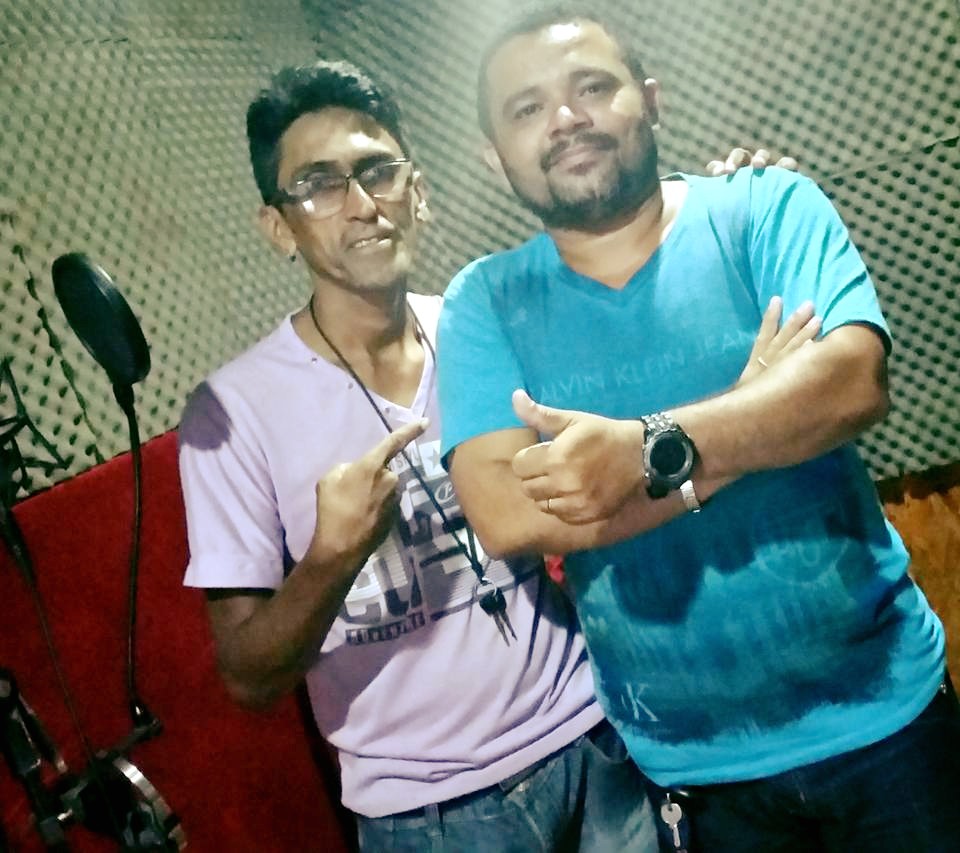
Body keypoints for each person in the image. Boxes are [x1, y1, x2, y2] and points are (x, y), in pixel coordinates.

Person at [177, 58, 803, 852]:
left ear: (419, 190)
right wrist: (330, 558)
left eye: (378, 171)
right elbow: (247, 673)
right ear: (278, 226)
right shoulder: (231, 411)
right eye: (319, 185)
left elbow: (638, 443)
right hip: (428, 814)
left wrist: (733, 209)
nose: (362, 204)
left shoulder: (490, 330)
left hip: (596, 741)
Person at [437, 4, 960, 852]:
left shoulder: (766, 207)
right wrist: (746, 417)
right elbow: (505, 515)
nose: (565, 118)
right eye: (527, 108)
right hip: (694, 767)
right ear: (495, 157)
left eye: (592, 87)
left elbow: (852, 383)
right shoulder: (485, 302)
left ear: (651, 101)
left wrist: (640, 453)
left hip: (887, 718)